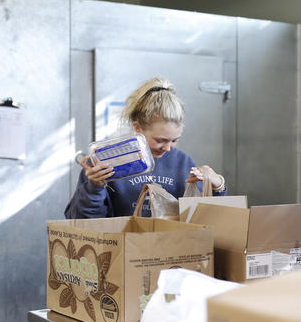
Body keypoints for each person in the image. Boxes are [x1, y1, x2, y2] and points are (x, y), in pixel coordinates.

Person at [65, 78, 225, 218]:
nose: (168, 148)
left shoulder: (183, 163)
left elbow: (207, 220)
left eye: (175, 140)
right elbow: (81, 222)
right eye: (160, 140)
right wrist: (94, 187)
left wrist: (218, 186)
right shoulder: (105, 163)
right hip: (123, 249)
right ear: (138, 128)